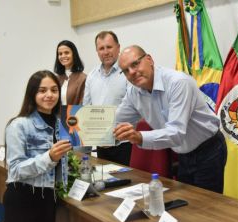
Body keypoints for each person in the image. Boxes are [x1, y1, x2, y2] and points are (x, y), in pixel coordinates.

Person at [114, 45, 227, 193]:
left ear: (149, 59)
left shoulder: (178, 82)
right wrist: (90, 134)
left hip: (208, 149)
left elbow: (176, 133)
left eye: (135, 64)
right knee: (187, 204)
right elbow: (115, 122)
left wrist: (139, 137)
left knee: (207, 208)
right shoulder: (133, 93)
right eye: (126, 71)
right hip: (182, 154)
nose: (132, 72)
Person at [3, 70, 72, 222]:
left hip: (48, 199)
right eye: (42, 91)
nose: (49, 95)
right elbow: (16, 170)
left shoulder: (63, 124)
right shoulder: (18, 125)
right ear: (32, 93)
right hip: (22, 200)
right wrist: (49, 157)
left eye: (54, 90)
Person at [83, 31, 132, 165]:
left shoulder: (129, 72)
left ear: (118, 47)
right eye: (101, 48)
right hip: (101, 144)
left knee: (126, 183)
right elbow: (86, 108)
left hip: (125, 143)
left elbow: (134, 107)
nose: (105, 52)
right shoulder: (91, 76)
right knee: (104, 183)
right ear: (97, 51)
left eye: (109, 47)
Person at [54, 40, 86, 105]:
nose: (63, 56)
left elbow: (83, 103)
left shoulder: (83, 78)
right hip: (57, 115)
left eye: (66, 53)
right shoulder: (55, 79)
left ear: (74, 54)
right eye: (60, 54)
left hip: (74, 114)